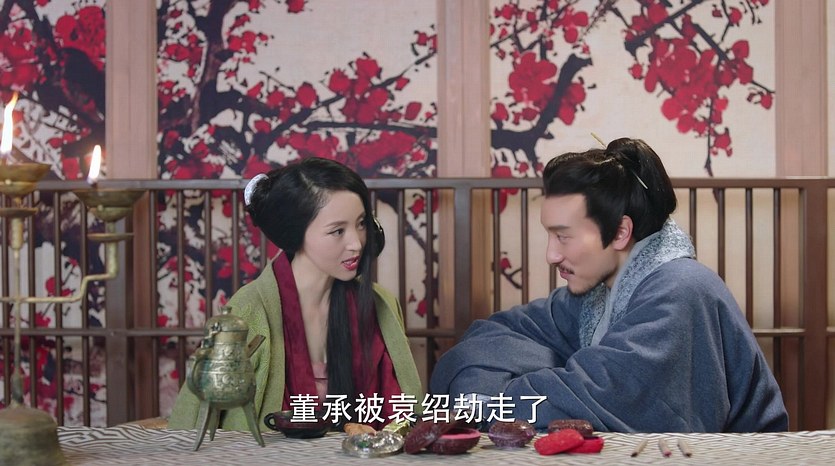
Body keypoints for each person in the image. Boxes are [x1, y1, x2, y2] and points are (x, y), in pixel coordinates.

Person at [429, 137, 788, 433]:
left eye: (564, 237)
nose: (551, 255)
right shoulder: (600, 291)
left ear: (619, 232)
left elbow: (603, 397)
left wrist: (492, 398)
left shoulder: (681, 289)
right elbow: (494, 336)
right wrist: (511, 388)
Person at [169, 157, 423, 431]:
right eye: (337, 231)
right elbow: (192, 423)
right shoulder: (248, 311)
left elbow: (403, 415)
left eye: (361, 224)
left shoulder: (379, 304)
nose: (356, 243)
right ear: (295, 234)